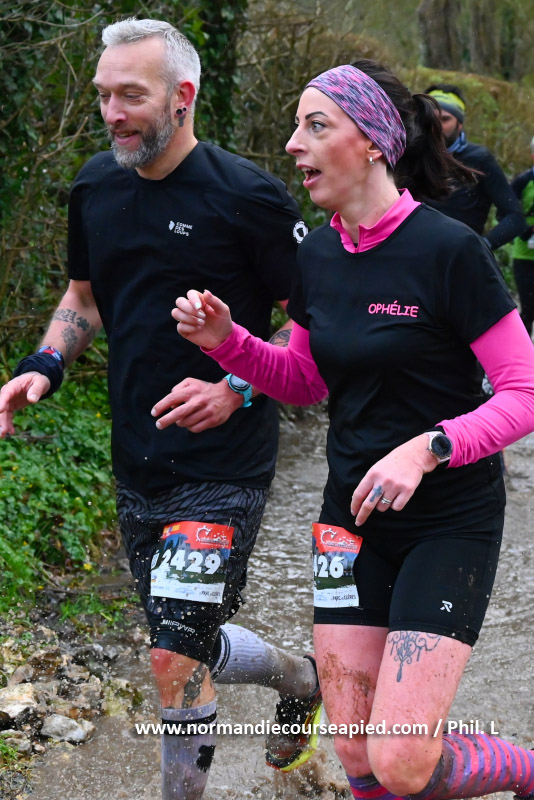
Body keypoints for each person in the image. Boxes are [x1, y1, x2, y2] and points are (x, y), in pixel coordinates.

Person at [172, 60, 534, 800]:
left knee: (402, 760)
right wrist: (228, 344)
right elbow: (306, 381)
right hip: (350, 517)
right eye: (295, 127)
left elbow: (524, 392)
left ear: (372, 142)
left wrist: (430, 448)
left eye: (316, 125)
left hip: (448, 520)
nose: (293, 145)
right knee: (358, 754)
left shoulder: (449, 251)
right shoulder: (318, 253)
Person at [0, 18, 322, 799]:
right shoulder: (94, 186)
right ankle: (302, 679)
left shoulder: (248, 197)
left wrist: (237, 385)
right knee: (181, 641)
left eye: (130, 96)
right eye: (103, 95)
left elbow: (314, 319)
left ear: (183, 97)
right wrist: (45, 363)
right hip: (136, 461)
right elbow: (83, 298)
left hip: (223, 466)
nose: (111, 113)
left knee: (175, 652)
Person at [424, 83, 525, 250]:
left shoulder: (479, 159)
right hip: (414, 257)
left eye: (444, 119)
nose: (436, 126)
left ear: (460, 124)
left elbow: (515, 218)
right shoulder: (410, 155)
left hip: (458, 259)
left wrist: (482, 247)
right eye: (430, 118)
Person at [511, 135, 534, 334]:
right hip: (525, 255)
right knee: (528, 309)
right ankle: (523, 349)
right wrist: (525, 230)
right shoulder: (523, 181)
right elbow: (505, 214)